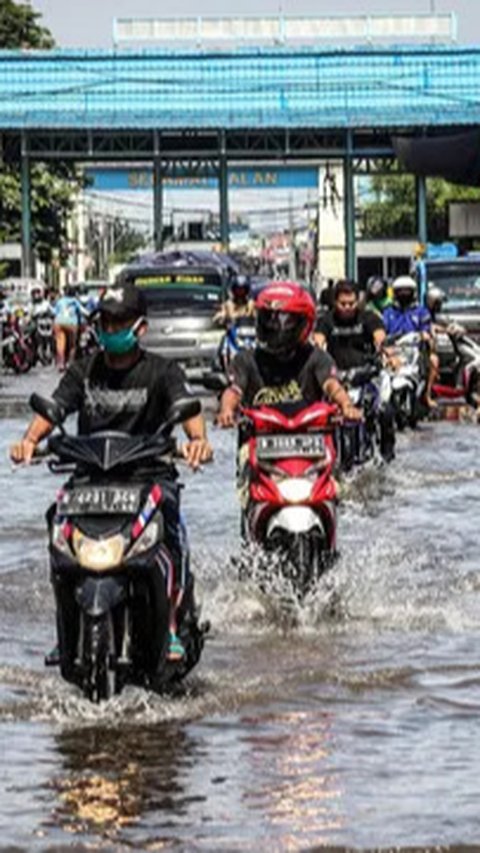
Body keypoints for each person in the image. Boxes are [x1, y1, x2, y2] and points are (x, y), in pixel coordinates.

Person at [10, 282, 213, 661]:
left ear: (140, 328)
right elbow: (54, 409)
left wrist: (198, 442)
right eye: (106, 322)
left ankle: (170, 624)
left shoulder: (162, 371)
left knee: (170, 526)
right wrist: (28, 441)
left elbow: (189, 409)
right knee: (56, 522)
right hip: (91, 481)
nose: (111, 330)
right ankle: (67, 625)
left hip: (148, 479)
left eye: (120, 323)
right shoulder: (83, 370)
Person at [217, 280, 362, 426]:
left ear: (303, 323)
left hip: (310, 434)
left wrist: (346, 405)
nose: (275, 327)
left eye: (286, 321)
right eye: (269, 318)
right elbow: (234, 390)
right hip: (259, 436)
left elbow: (332, 385)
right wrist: (226, 410)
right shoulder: (246, 359)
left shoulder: (316, 357)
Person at [383, 275, 437, 408]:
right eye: (400, 291)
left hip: (414, 349)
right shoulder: (388, 312)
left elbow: (426, 329)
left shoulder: (420, 311)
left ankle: (427, 395)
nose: (404, 294)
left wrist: (426, 336)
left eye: (407, 291)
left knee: (434, 361)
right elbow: (382, 331)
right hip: (393, 350)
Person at [314, 279, 387, 369]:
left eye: (351, 303)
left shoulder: (368, 317)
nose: (347, 307)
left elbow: (379, 335)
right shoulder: (326, 320)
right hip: (336, 373)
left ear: (357, 301)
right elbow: (318, 340)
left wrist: (381, 343)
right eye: (343, 304)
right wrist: (319, 346)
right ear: (335, 302)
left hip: (366, 371)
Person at [53, 285, 83, 371]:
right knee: (72, 345)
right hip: (72, 324)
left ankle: (61, 364)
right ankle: (70, 363)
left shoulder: (60, 301)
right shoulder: (75, 301)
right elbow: (82, 311)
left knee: (60, 344)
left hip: (58, 323)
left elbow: (55, 312)